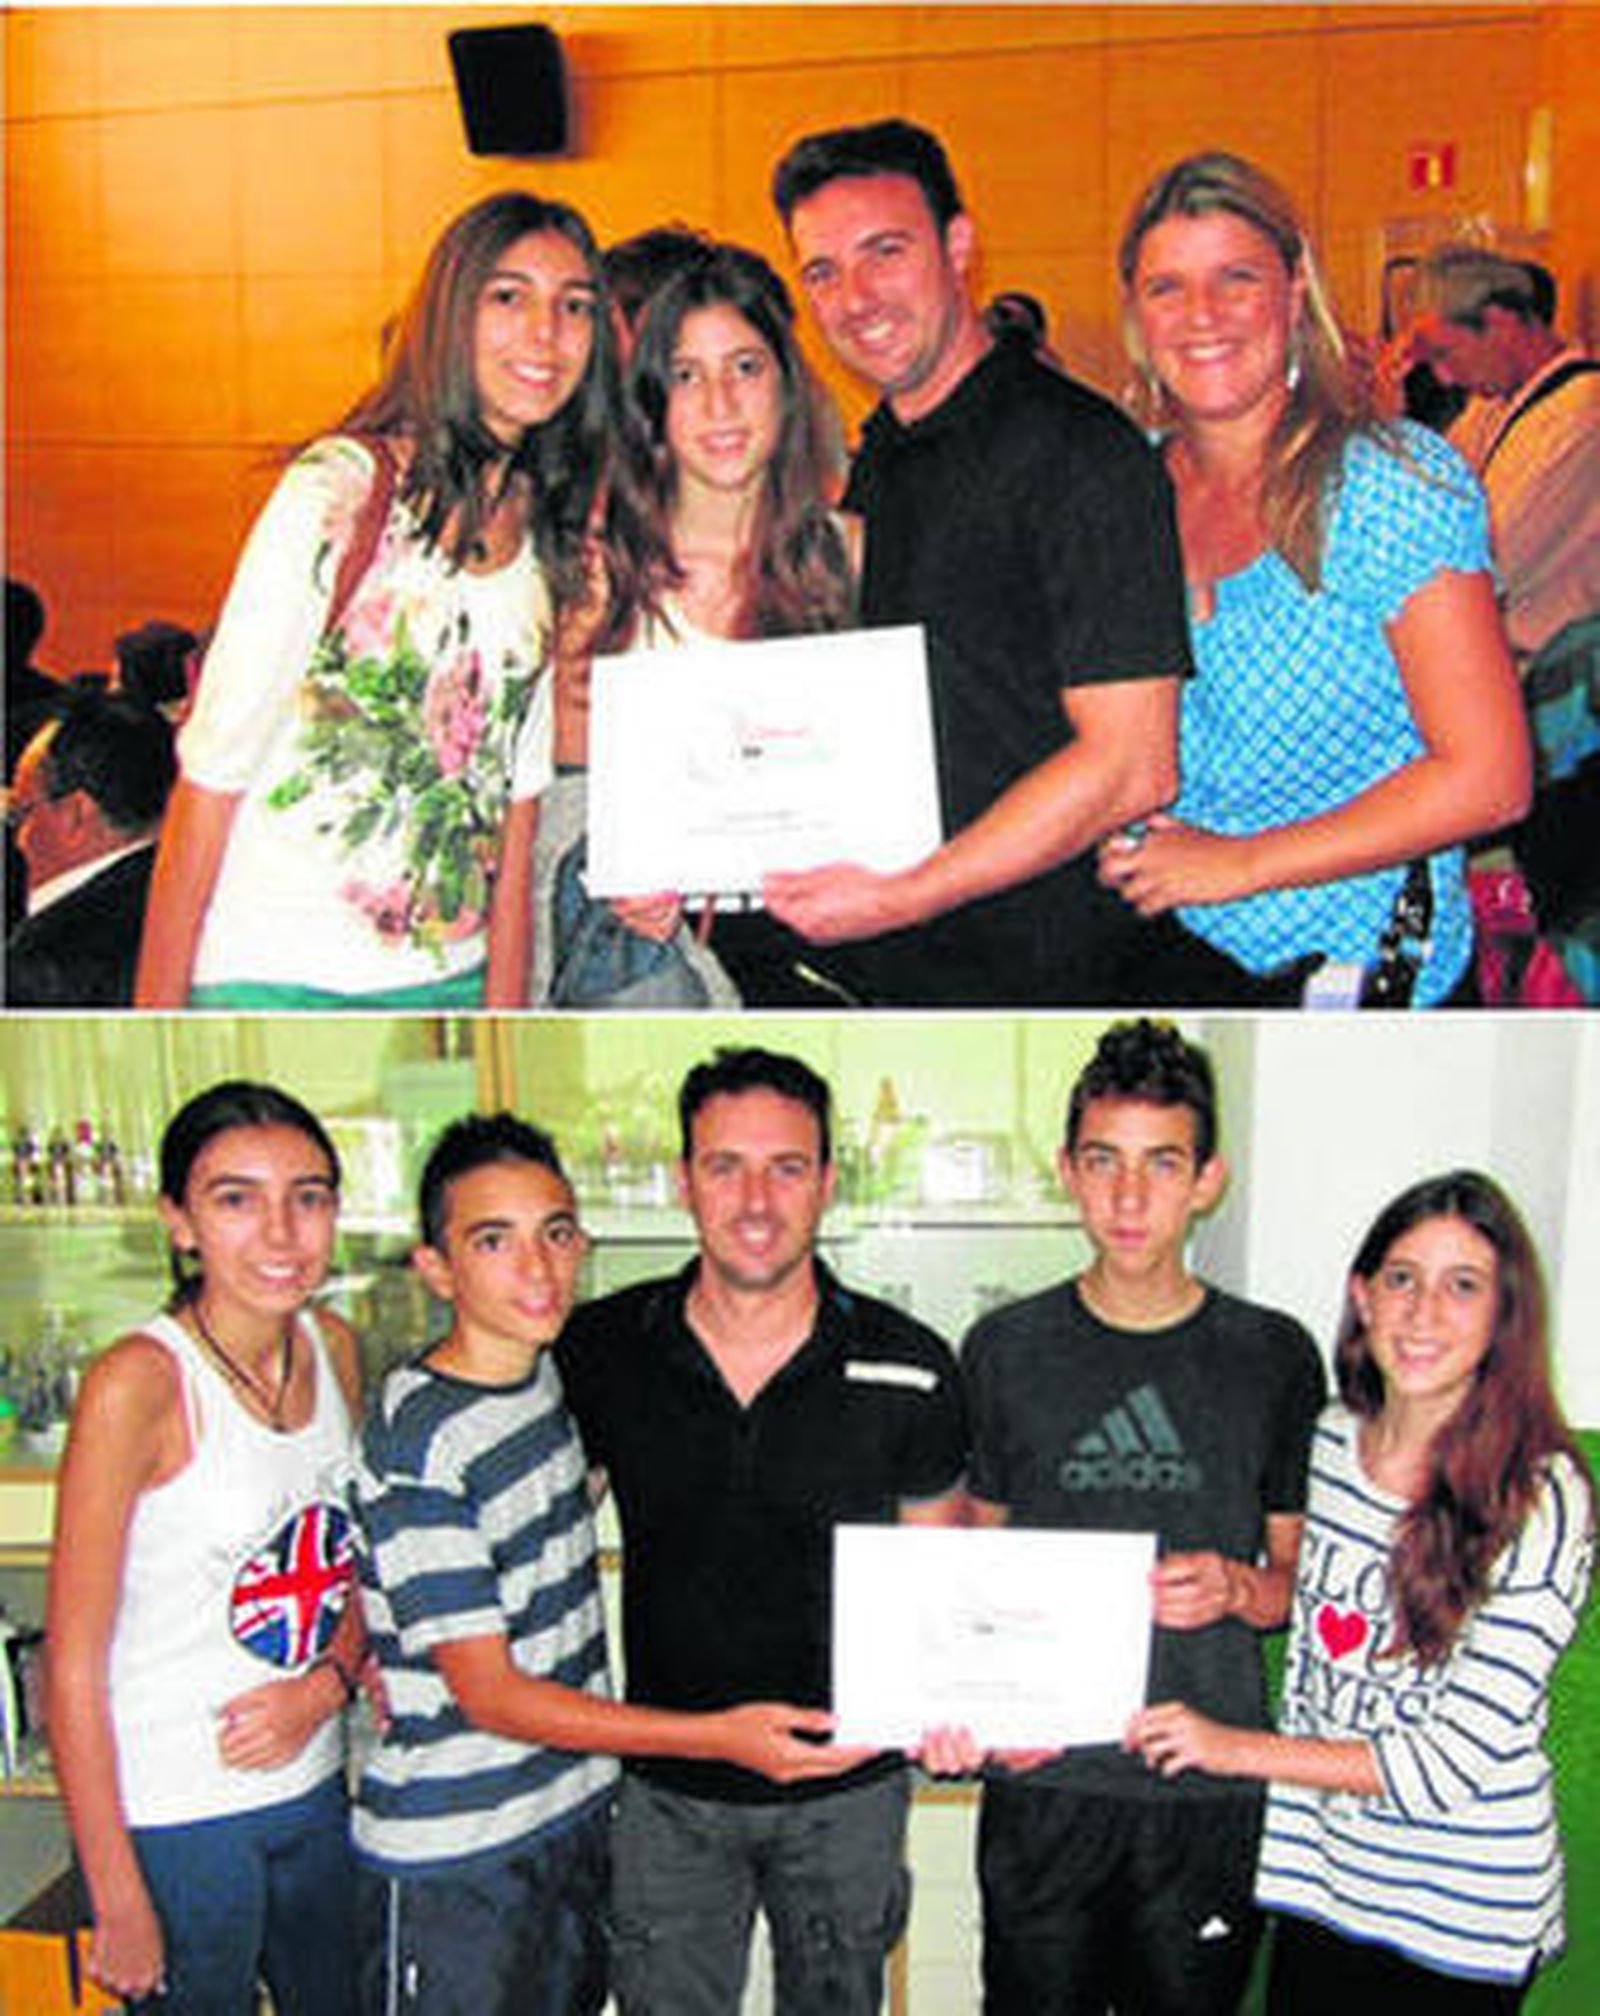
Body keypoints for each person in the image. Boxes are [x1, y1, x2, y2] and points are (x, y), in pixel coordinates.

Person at [349, 1112, 860, 2016]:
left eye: (555, 1233)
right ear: (437, 1267)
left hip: (571, 1824)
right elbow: (492, 1696)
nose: (538, 1268)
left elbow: (540, 1519)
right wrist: (716, 1734)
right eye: (493, 1241)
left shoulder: (546, 1377)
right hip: (460, 1859)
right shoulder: (420, 1438)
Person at [556, 1046, 968, 2015]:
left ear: (827, 1183)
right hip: (667, 1790)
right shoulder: (601, 1350)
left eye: (786, 1168)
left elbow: (942, 1586)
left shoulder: (911, 1365)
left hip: (848, 1792)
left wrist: (957, 1706)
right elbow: (542, 1532)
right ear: (681, 1180)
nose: (755, 1201)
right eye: (723, 1166)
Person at [134, 190, 618, 1009]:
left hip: (447, 988)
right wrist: (154, 1028)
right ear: (450, 315)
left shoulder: (551, 531)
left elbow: (517, 804)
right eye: (509, 297)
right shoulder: (340, 495)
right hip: (272, 980)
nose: (546, 332)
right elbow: (209, 778)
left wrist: (504, 1015)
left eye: (574, 307)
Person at [1128, 1170, 1595, 2014]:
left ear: (1503, 1317)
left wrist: (1227, 1746)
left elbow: (1444, 1765)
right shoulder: (1330, 1442)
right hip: (1321, 1882)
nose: (1423, 1314)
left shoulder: (1541, 1495)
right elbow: (1320, 1600)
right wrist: (1239, 1587)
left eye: (1463, 1287)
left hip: (1461, 1915)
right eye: (1401, 1280)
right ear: (1363, 1297)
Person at [765, 118, 1191, 1006]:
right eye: (823, 272)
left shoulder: (1081, 454)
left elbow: (1134, 763)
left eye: (886, 251)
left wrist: (906, 893)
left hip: (1044, 969)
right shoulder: (880, 452)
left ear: (959, 246)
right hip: (902, 957)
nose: (857, 296)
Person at [1100, 152, 1531, 1007]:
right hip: (1170, 960)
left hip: (1360, 978)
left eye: (1237, 279)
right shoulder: (1122, 493)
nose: (1203, 316)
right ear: (1138, 317)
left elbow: (1489, 777)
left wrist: (1239, 864)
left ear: (1295, 295)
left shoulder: (1394, 485)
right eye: (1168, 288)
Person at [959, 1019, 1326, 2015]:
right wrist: (972, 1705)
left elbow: (1292, 1587)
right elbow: (972, 1563)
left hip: (1203, 1784)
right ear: (1067, 1171)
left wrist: (1236, 1587)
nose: (1129, 1198)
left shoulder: (1274, 1356)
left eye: (1161, 1164)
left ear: (1207, 1178)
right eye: (1103, 1162)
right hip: (1044, 1782)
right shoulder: (1002, 1348)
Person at [45, 1081, 364, 2014]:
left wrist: (327, 1685)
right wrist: (117, 1894)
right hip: (175, 1815)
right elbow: (72, 1663)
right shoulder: (138, 1383)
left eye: (308, 1197)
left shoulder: (332, 1346)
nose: (280, 1232)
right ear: (179, 1223)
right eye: (236, 1199)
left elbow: (352, 1568)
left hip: (312, 1787)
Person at [558, 239, 861, 1007]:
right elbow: (559, 764)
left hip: (833, 943)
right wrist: (632, 856)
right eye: (687, 376)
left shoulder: (850, 552)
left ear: (788, 387)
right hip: (670, 950)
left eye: (746, 368)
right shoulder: (602, 573)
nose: (720, 404)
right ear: (653, 404)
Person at [1413, 245, 1600, 998]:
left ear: (1499, 322)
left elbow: (1479, 563)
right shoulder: (1496, 407)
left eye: (1448, 353)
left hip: (1550, 696)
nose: (1445, 378)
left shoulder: (1581, 417)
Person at [5, 682, 177, 1006]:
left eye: (21, 813)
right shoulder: (196, 901)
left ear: (74, 815)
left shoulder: (41, 965)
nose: (19, 841)